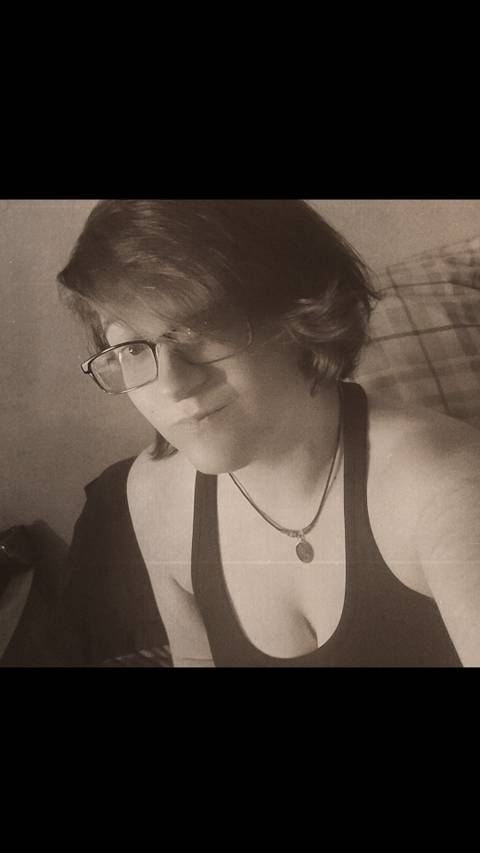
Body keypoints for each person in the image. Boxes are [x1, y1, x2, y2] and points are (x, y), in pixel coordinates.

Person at [55, 200, 480, 667]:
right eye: (133, 349)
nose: (173, 384)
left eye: (199, 327)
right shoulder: (155, 493)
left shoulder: (443, 486)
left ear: (300, 312)